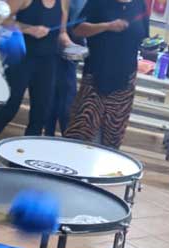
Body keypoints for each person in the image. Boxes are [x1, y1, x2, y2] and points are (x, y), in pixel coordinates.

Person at [0, 0, 75, 165]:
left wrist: (71, 45)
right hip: (23, 58)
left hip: (48, 61)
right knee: (8, 108)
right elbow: (3, 20)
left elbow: (62, 33)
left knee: (41, 113)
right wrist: (28, 29)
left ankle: (24, 160)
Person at [63, 0, 151, 148]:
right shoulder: (99, 2)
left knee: (113, 138)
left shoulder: (140, 5)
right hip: (96, 76)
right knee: (81, 132)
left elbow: (142, 38)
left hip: (125, 80)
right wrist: (106, 26)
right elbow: (77, 30)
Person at [46, 0, 88, 136]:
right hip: (59, 43)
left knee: (59, 95)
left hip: (68, 44)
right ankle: (62, 136)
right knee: (64, 97)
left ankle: (53, 135)